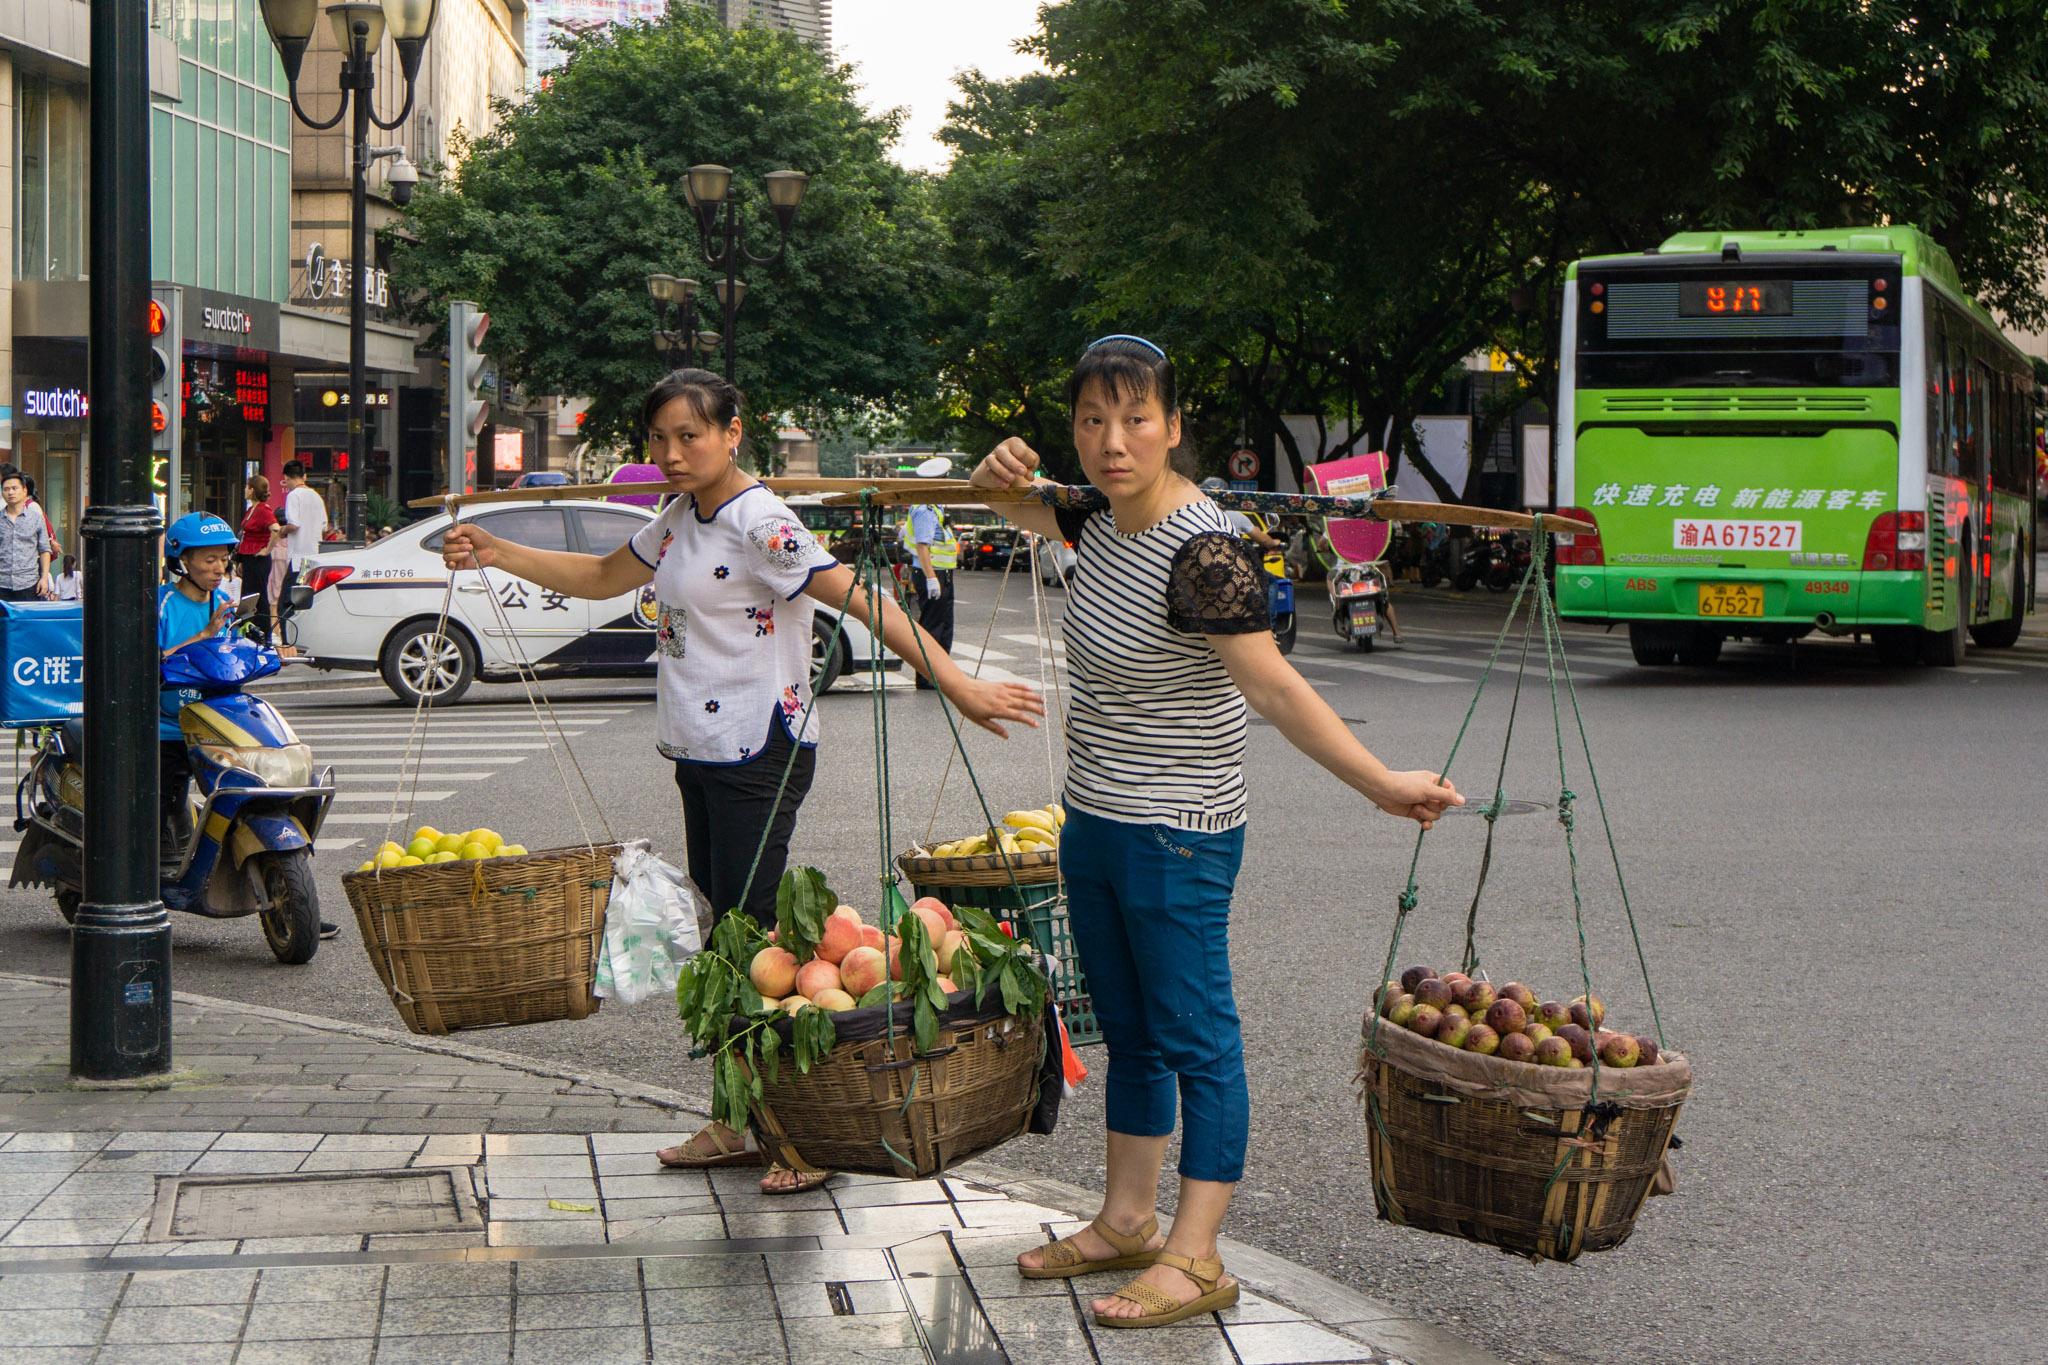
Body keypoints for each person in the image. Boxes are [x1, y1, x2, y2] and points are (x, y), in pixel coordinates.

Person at [440, 368, 1044, 1195]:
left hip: (760, 747)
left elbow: (861, 598)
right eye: (659, 438)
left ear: (732, 432)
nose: (672, 452)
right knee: (731, 942)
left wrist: (959, 684)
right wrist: (495, 549)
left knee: (760, 943)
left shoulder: (763, 520)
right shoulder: (680, 518)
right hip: (700, 748)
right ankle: (744, 1118)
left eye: (690, 435)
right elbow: (602, 576)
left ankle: (804, 1133)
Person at [969, 336, 1460, 1329]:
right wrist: (990, 478)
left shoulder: (1204, 550)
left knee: (1197, 1038)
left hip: (1178, 832)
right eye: (1092, 422)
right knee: (1133, 1033)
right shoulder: (1093, 520)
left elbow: (1272, 686)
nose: (1113, 442)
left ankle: (1196, 1257)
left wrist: (1376, 782)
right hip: (1096, 820)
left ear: (1173, 427)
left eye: (1135, 419)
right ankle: (1124, 1221)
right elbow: (1009, 506)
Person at [158, 514, 239, 864]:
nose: (219, 567)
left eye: (223, 558)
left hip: (214, 722)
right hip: (167, 725)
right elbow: (154, 661)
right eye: (209, 560)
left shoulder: (222, 602)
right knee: (159, 804)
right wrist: (203, 636)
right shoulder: (161, 604)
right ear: (183, 562)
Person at [903, 494, 958, 686]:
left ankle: (940, 675)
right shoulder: (925, 510)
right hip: (932, 573)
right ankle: (928, 677)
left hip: (943, 573)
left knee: (945, 627)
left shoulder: (936, 507)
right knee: (933, 627)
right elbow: (922, 546)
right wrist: (931, 578)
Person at [236, 474, 280, 644]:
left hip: (258, 558)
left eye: (247, 486)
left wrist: (267, 550)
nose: (245, 490)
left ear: (252, 490)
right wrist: (241, 560)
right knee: (247, 596)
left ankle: (264, 635)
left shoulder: (263, 509)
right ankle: (249, 632)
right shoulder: (252, 509)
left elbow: (275, 529)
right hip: (248, 557)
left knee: (259, 597)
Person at [0, 472, 54, 601]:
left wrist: (44, 578)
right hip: (2, 584)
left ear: (24, 491)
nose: (10, 493)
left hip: (28, 584)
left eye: (14, 488)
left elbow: (44, 549)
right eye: (6, 489)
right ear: (2, 494)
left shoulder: (36, 518)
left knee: (27, 621)